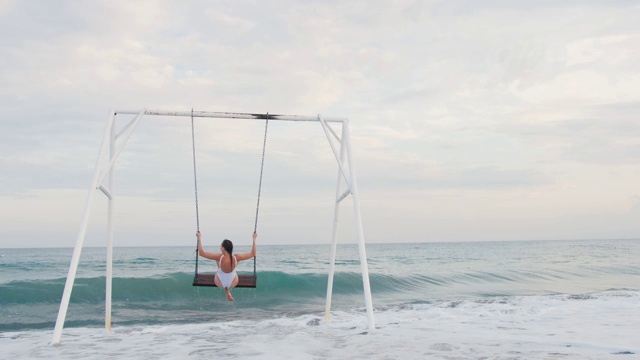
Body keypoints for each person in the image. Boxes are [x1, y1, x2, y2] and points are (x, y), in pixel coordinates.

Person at [196, 231, 257, 302]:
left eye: (221, 246)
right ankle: (228, 290)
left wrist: (199, 237)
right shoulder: (236, 257)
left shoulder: (219, 257)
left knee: (218, 266)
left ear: (223, 249)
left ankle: (227, 290)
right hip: (233, 282)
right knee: (235, 264)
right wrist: (254, 239)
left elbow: (201, 253)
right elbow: (253, 253)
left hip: (220, 283)